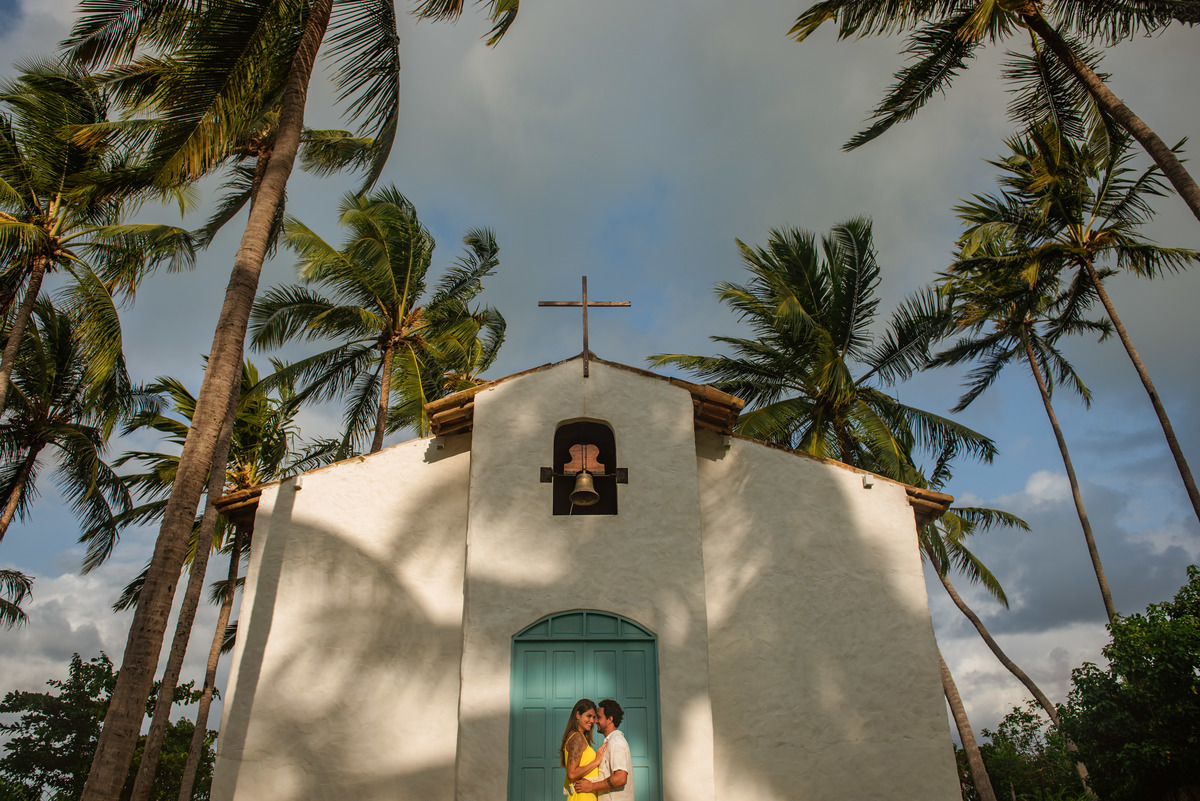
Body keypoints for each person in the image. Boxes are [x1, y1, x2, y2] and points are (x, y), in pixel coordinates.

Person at [573, 699, 633, 797]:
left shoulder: (616, 742)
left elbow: (620, 778)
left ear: (610, 719)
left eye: (599, 717)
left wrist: (591, 786)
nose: (595, 721)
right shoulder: (611, 742)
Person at [562, 698, 607, 799]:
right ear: (578, 715)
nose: (592, 721)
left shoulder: (579, 737)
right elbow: (572, 774)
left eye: (594, 717)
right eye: (588, 716)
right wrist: (596, 761)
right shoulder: (577, 738)